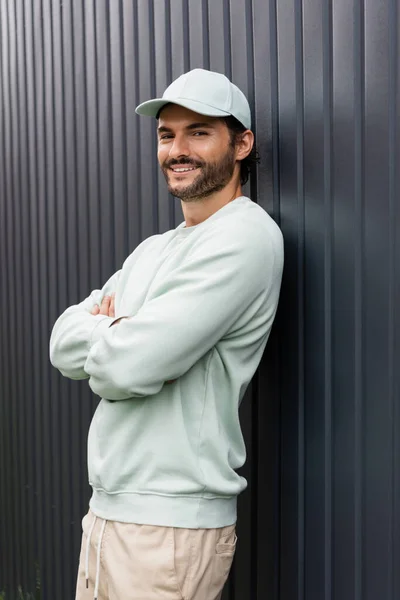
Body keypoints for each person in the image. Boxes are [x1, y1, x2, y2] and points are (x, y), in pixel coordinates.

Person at [49, 68, 284, 600]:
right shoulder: (154, 250)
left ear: (242, 143)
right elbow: (62, 342)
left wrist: (108, 327)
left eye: (198, 132)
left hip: (171, 528)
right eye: (166, 134)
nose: (177, 149)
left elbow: (128, 365)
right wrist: (121, 329)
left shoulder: (245, 238)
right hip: (108, 514)